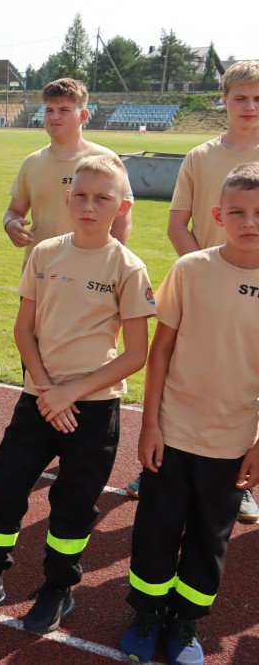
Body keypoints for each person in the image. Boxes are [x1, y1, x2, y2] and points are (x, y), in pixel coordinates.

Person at [0, 155, 154, 633]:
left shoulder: (129, 267)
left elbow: (135, 354)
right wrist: (44, 390)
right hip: (37, 399)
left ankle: (58, 589)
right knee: (4, 491)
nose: (88, 205)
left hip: (93, 409)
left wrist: (70, 395)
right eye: (80, 196)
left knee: (74, 504)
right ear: (67, 199)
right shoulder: (45, 253)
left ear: (121, 206)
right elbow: (24, 330)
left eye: (102, 198)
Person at [120, 162, 259, 665]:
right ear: (219, 215)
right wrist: (150, 423)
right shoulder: (191, 268)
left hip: (231, 443)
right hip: (173, 433)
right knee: (156, 527)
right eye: (238, 212)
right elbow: (160, 352)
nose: (250, 221)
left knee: (209, 538)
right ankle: (148, 612)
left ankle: (184, 622)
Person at [125, 60, 259, 522]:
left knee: (242, 375)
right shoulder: (201, 157)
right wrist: (201, 269)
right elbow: (176, 223)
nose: (250, 106)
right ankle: (157, 460)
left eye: (258, 98)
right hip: (200, 286)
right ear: (223, 100)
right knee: (178, 367)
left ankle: (237, 479)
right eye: (240, 97)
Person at [3, 78, 130, 265]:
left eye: (64, 110)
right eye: (49, 110)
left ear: (83, 115)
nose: (54, 117)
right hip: (39, 272)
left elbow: (122, 221)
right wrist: (10, 224)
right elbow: (14, 211)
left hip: (88, 271)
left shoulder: (106, 160)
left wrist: (108, 263)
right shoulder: (32, 162)